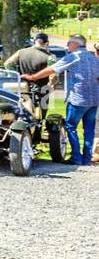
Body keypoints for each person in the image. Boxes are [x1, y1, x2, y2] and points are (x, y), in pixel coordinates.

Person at [24, 34, 99, 166]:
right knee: (89, 129)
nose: (67, 45)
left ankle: (76, 157)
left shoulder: (73, 57)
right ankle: (87, 159)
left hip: (77, 99)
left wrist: (33, 77)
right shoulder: (94, 58)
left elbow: (52, 69)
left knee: (71, 126)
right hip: (94, 100)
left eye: (69, 43)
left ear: (75, 44)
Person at [4, 32, 54, 113]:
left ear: (34, 41)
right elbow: (53, 74)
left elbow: (8, 63)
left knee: (20, 109)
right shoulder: (50, 57)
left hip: (22, 87)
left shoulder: (21, 52)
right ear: (47, 43)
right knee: (41, 113)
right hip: (42, 88)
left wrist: (16, 76)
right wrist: (52, 84)